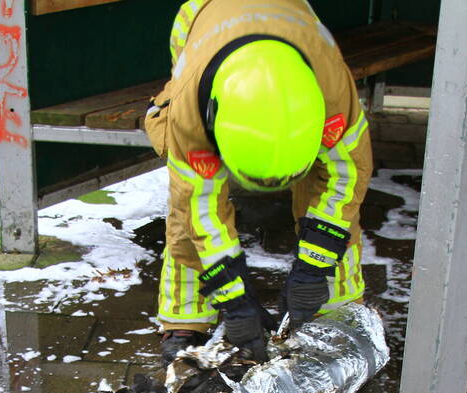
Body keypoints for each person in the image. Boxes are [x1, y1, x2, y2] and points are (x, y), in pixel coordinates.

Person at [144, 0, 372, 365]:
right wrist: (236, 300)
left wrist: (313, 268)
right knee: (186, 210)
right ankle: (185, 318)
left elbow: (346, 176)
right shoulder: (191, 111)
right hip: (203, 19)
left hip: (292, 24)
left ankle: (338, 308)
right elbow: (201, 206)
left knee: (333, 197)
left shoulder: (331, 89)